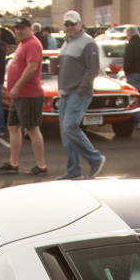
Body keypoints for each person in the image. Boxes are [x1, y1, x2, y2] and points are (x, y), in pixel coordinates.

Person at [54, 10, 105, 179]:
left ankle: (95, 158)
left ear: (80, 24)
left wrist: (81, 89)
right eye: (66, 24)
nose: (69, 27)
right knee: (65, 132)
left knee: (69, 127)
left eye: (72, 24)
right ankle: (73, 170)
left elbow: (92, 69)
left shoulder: (88, 42)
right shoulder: (65, 42)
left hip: (78, 92)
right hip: (65, 92)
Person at [0, 17, 47, 175]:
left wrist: (17, 86)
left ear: (30, 28)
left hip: (28, 94)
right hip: (18, 96)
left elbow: (32, 67)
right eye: (16, 28)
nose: (18, 31)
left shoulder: (33, 44)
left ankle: (41, 165)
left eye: (22, 28)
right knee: (13, 127)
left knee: (32, 128)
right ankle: (13, 163)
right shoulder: (23, 44)